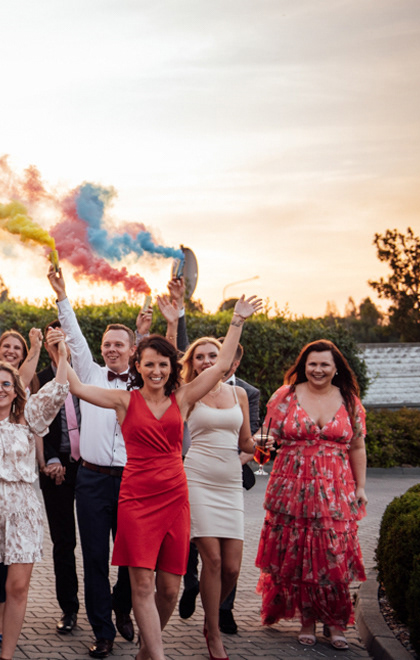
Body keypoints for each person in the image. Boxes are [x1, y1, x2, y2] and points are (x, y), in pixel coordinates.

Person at [66, 295, 261, 660]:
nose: (156, 371)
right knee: (141, 583)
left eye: (163, 364)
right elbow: (77, 387)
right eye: (149, 364)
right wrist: (61, 353)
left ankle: (146, 651)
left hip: (174, 497)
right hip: (136, 498)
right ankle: (156, 655)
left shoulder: (183, 398)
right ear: (138, 366)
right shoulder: (124, 401)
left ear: (172, 367)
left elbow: (221, 366)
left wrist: (237, 320)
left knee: (169, 589)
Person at [49, 267, 144, 657]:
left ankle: (123, 607)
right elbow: (73, 336)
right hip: (91, 480)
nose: (111, 349)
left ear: (133, 349)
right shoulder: (89, 373)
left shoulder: (145, 383)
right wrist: (62, 295)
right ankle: (103, 631)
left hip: (133, 480)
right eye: (107, 344)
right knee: (94, 558)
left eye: (119, 344)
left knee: (132, 557)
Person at [256, 340, 367, 651]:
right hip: (291, 489)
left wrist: (361, 487)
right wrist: (255, 444)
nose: (318, 370)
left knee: (333, 553)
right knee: (298, 555)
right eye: (312, 364)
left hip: (335, 489)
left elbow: (358, 446)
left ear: (336, 368)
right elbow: (266, 435)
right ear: (303, 366)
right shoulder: (286, 395)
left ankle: (336, 621)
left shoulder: (349, 400)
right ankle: (307, 620)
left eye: (324, 364)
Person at [0, 329, 70, 660]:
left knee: (17, 588)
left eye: (6, 384)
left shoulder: (30, 417)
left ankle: (7, 654)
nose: (0, 389)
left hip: (23, 507)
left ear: (16, 390)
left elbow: (58, 390)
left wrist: (62, 355)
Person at [179, 337, 256, 659]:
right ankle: (213, 633)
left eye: (213, 355)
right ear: (192, 363)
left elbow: (246, 442)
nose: (207, 361)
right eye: (200, 356)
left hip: (230, 482)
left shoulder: (240, 395)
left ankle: (210, 611)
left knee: (232, 569)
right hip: (197, 478)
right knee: (212, 559)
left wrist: (261, 444)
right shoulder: (188, 394)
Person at [36, 319, 82, 635]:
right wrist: (50, 459)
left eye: (62, 339)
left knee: (100, 540)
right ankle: (69, 608)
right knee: (63, 541)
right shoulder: (39, 379)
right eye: (53, 341)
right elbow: (36, 421)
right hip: (56, 466)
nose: (59, 346)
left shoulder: (87, 377)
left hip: (90, 464)